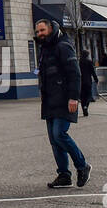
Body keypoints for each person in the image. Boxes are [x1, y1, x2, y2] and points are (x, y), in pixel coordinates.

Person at [35, 18, 90, 189]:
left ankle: (83, 166)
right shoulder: (45, 48)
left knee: (60, 134)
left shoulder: (63, 46)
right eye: (37, 32)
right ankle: (64, 175)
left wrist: (74, 97)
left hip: (65, 99)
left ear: (51, 28)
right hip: (50, 100)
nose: (39, 34)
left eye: (42, 30)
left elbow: (75, 73)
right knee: (54, 139)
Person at [79, 49, 98, 117]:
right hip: (88, 81)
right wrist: (96, 79)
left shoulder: (79, 62)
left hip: (81, 82)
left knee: (82, 96)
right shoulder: (89, 62)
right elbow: (92, 71)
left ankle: (84, 109)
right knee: (88, 95)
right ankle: (86, 107)